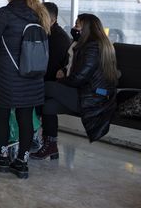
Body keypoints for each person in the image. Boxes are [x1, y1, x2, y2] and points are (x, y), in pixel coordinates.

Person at [0, 0, 51, 179]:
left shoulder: (5, 13)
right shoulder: (40, 13)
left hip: (8, 76)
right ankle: (22, 162)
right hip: (33, 76)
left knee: (2, 116)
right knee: (25, 118)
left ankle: (2, 156)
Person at [34, 14, 118, 159]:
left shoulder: (93, 47)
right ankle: (50, 146)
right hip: (88, 94)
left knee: (46, 87)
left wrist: (59, 83)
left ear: (86, 29)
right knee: (48, 106)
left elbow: (79, 78)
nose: (73, 28)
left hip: (93, 98)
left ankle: (30, 134)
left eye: (77, 25)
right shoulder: (95, 44)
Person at [43, 2, 71, 82]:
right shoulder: (47, 33)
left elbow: (51, 68)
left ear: (52, 21)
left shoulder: (59, 39)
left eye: (41, 17)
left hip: (51, 83)